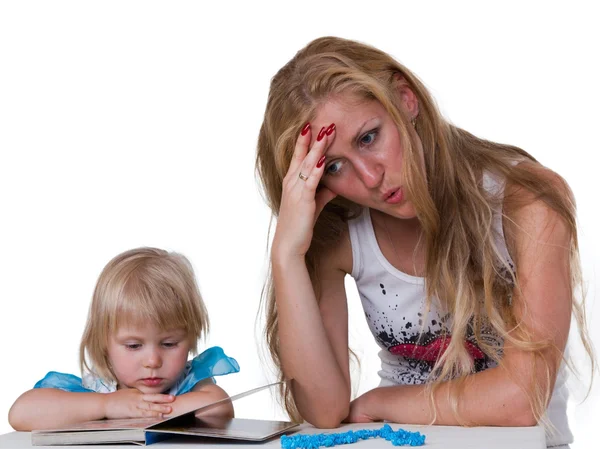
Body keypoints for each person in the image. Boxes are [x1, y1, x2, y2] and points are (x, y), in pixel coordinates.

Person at [255, 36, 595, 447]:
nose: (368, 176)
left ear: (405, 99)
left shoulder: (526, 200)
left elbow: (522, 400)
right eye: (335, 166)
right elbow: (325, 409)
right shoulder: (341, 231)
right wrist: (287, 254)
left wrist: (383, 402)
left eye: (369, 138)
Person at [8, 247, 239, 431]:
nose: (152, 361)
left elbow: (219, 407)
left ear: (190, 339)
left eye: (169, 344)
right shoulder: (99, 388)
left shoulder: (189, 384)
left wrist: (148, 409)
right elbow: (21, 414)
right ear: (103, 343)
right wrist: (107, 405)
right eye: (133, 345)